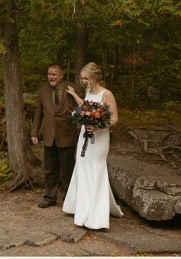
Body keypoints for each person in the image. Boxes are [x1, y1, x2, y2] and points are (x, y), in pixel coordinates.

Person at [62, 62, 124, 229]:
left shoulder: (107, 94)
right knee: (82, 166)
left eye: (86, 78)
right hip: (85, 135)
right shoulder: (89, 91)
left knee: (96, 168)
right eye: (82, 78)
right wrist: (75, 96)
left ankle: (96, 214)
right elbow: (86, 106)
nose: (83, 81)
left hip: (100, 137)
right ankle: (81, 207)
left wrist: (97, 127)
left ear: (94, 77)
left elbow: (114, 119)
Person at [31, 64, 83, 209]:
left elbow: (82, 110)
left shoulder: (74, 89)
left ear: (61, 75)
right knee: (49, 169)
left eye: (54, 74)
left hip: (67, 135)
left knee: (67, 169)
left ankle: (68, 197)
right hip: (49, 136)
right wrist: (34, 133)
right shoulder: (43, 90)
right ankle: (49, 197)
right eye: (49, 74)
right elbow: (38, 113)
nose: (50, 77)